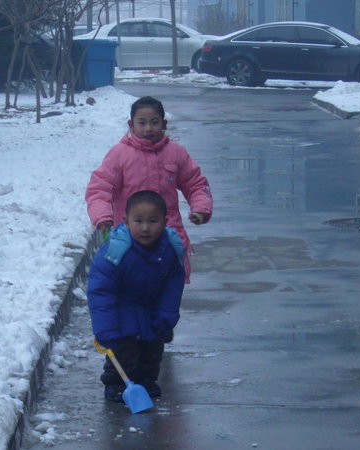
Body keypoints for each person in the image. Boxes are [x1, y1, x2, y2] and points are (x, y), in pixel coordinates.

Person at [85, 95, 212, 282]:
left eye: (154, 122)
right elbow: (100, 188)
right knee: (131, 290)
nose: (148, 128)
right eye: (142, 123)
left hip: (168, 236)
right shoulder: (119, 155)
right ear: (131, 124)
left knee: (167, 293)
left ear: (164, 123)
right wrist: (103, 217)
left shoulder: (176, 153)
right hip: (129, 237)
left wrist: (201, 207)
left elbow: (195, 183)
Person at [87, 190, 185, 402]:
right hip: (122, 312)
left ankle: (147, 381)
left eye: (153, 221)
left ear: (165, 221)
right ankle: (116, 383)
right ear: (126, 221)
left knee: (152, 351)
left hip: (152, 310)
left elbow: (173, 286)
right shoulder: (115, 253)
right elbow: (101, 292)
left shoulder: (168, 250)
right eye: (138, 221)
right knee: (124, 353)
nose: (145, 228)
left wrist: (166, 316)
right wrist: (105, 329)